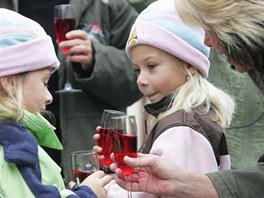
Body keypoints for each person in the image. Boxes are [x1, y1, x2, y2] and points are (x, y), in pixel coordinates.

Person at [110, 0, 264, 197]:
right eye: (137, 70)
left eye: (151, 66)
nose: (140, 80)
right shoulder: (181, 119)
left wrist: (103, 190)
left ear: (189, 65)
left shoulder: (182, 129)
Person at [0, 0, 142, 182]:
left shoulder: (109, 6)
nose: (49, 96)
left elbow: (141, 77)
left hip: (85, 148)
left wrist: (96, 58)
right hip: (16, 141)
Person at [0, 9, 111, 197]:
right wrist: (86, 194)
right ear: (9, 84)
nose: (49, 96)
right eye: (44, 82)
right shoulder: (12, 145)